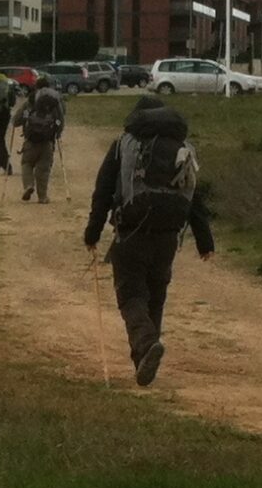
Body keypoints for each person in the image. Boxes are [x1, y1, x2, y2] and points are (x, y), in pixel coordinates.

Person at [83, 95, 214, 385]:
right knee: (156, 296)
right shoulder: (182, 147)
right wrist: (205, 241)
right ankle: (144, 357)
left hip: (131, 232)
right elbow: (194, 196)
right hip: (168, 235)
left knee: (131, 296)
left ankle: (146, 344)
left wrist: (92, 232)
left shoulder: (123, 144)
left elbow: (103, 191)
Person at [14, 77, 64, 202]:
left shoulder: (30, 101)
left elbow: (16, 121)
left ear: (36, 87)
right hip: (47, 141)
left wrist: (22, 120)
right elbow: (60, 119)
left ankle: (29, 185)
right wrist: (58, 133)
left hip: (30, 141)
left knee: (27, 163)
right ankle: (42, 197)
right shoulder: (53, 102)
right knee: (43, 169)